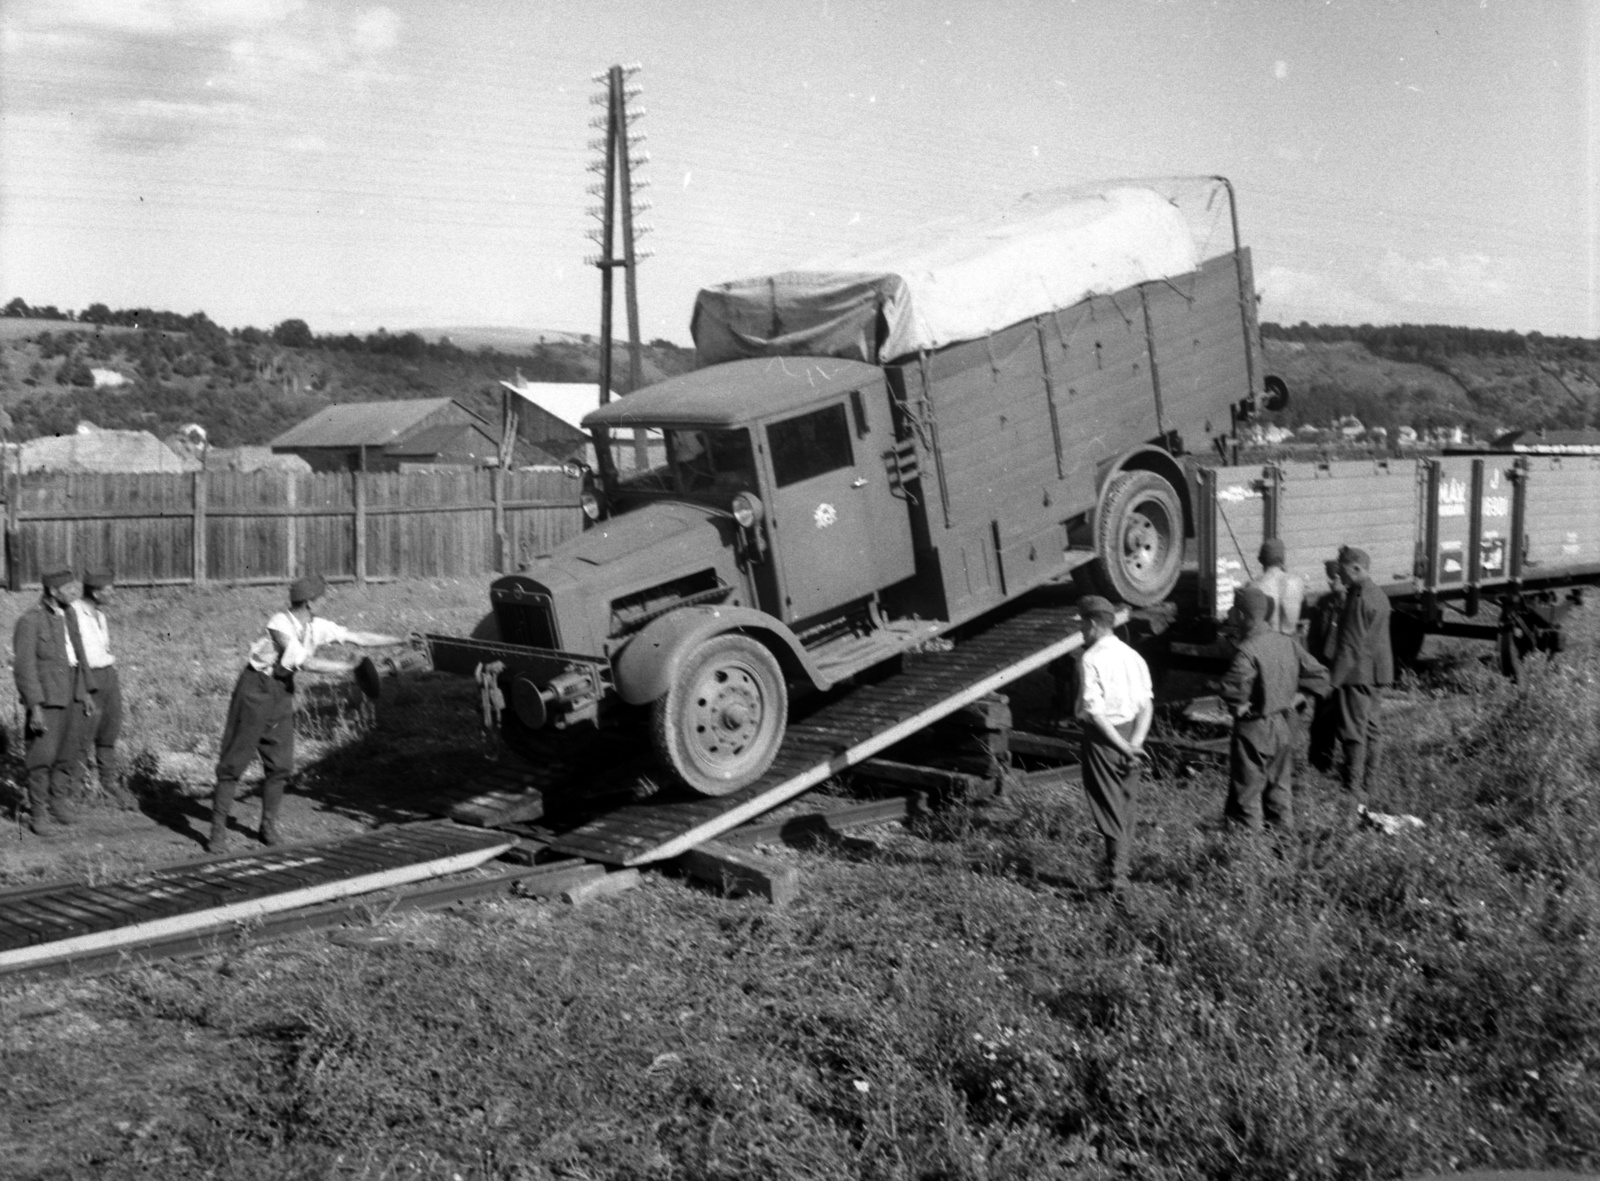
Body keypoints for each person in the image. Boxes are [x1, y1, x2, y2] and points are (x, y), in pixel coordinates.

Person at [208, 574, 404, 852]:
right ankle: (217, 832)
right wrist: (346, 669)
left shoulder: (315, 626)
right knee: (233, 762)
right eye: (322, 597)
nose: (326, 600)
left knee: (280, 764)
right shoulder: (279, 625)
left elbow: (357, 638)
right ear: (310, 602)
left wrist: (401, 639)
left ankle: (268, 828)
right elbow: (303, 661)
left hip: (281, 693)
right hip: (254, 690)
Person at [1217, 584, 1331, 834]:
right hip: (1283, 726)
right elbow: (1321, 676)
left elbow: (1233, 693)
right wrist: (1295, 698)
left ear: (1243, 616)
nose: (1230, 614)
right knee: (1279, 791)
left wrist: (1235, 703)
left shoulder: (1246, 652)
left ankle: (1249, 857)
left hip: (1254, 731)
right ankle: (1283, 852)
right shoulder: (1287, 643)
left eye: (1233, 611)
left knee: (1246, 797)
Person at [1073, 595, 1153, 893]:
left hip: (1104, 740)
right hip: (1132, 736)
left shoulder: (1090, 659)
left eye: (1082, 623)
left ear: (1094, 624)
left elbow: (1094, 712)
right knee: (1126, 806)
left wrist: (1120, 746)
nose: (1080, 629)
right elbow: (1146, 704)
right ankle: (1121, 869)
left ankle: (1117, 879)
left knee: (1108, 807)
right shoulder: (1134, 656)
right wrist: (1136, 743)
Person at [13, 569, 95, 835]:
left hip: (72, 691)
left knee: (66, 753)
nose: (75, 592)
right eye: (69, 589)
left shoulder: (69, 614)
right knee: (41, 757)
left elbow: (79, 657)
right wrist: (34, 707)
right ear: (52, 591)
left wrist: (85, 693)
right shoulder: (30, 620)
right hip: (47, 699)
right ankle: (38, 813)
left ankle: (58, 804)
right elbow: (24, 668)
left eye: (76, 587)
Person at [1329, 545, 1394, 804]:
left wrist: (1332, 681)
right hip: (1377, 672)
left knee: (1353, 730)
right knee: (1372, 729)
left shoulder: (1358, 598)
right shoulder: (1377, 594)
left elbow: (1349, 645)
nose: (1339, 574)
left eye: (1342, 568)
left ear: (1356, 568)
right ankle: (1370, 785)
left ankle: (1353, 788)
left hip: (1357, 674)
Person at [73, 569, 138, 810]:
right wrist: (84, 688)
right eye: (108, 590)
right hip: (88, 677)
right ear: (95, 591)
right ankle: (76, 790)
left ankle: (109, 783)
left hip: (108, 675)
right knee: (83, 735)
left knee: (109, 730)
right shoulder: (75, 614)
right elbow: (76, 656)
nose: (112, 594)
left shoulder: (100, 615)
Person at [1304, 559, 1346, 773]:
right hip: (1325, 670)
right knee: (1321, 719)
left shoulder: (1354, 601)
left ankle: (1351, 771)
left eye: (1335, 578)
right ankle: (1319, 764)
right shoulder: (1324, 603)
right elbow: (1313, 637)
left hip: (1347, 672)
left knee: (1349, 723)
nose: (1331, 582)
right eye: (1329, 578)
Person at [1251, 538, 1305, 636]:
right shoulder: (1297, 582)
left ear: (1261, 560)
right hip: (1290, 642)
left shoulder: (1255, 586)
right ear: (1283, 559)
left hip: (1268, 643)